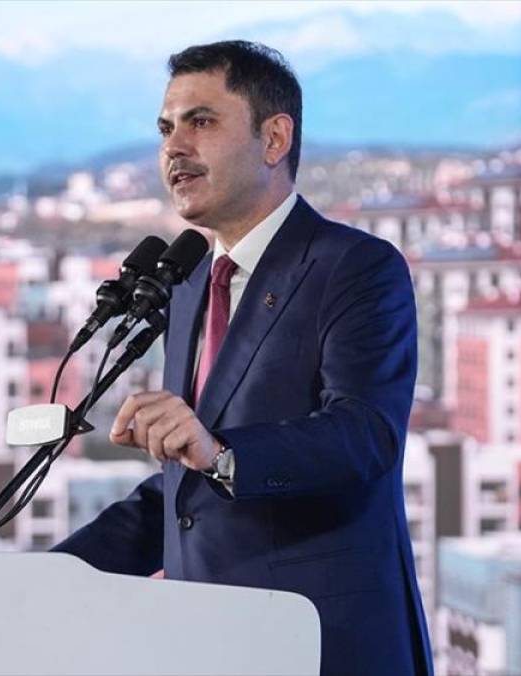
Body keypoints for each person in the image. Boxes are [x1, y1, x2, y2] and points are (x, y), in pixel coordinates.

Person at [53, 40, 432, 676]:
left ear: (274, 138)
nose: (174, 148)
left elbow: (365, 436)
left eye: (201, 121)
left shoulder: (355, 267)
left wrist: (221, 453)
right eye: (166, 129)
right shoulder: (191, 285)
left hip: (324, 648)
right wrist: (42, 575)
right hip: (212, 648)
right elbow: (186, 493)